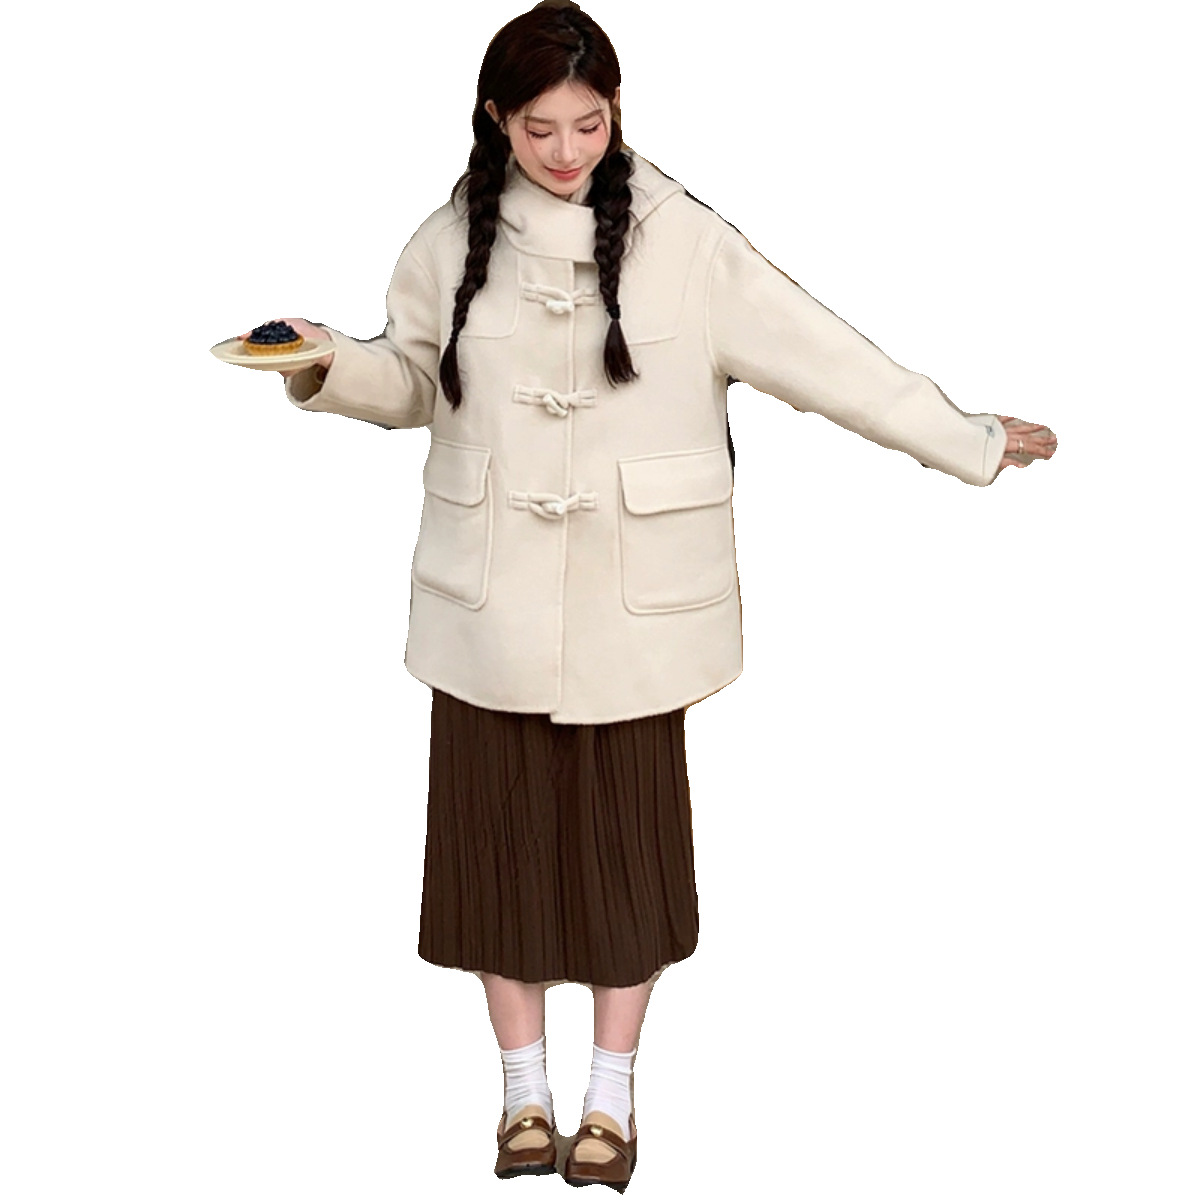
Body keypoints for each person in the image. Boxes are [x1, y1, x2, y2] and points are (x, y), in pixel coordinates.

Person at [239, 1, 1057, 1189]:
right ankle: (522, 1096)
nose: (566, 151)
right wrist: (325, 359)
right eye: (539, 129)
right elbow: (414, 377)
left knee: (628, 864)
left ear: (617, 110)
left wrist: (967, 436)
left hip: (635, 607)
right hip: (489, 604)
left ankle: (612, 1099)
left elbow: (830, 360)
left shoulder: (687, 241)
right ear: (495, 120)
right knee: (492, 863)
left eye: (588, 124)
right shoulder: (449, 237)